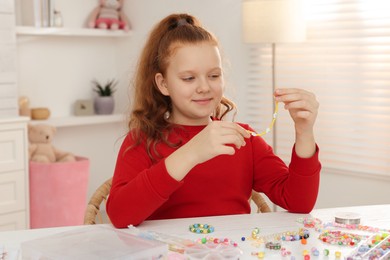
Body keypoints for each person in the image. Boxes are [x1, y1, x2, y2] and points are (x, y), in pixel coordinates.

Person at [106, 13, 321, 228]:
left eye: (214, 76)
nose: (204, 87)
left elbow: (299, 202)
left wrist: (304, 132)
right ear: (163, 84)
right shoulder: (143, 140)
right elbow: (120, 215)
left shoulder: (244, 140)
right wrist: (191, 153)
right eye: (189, 78)